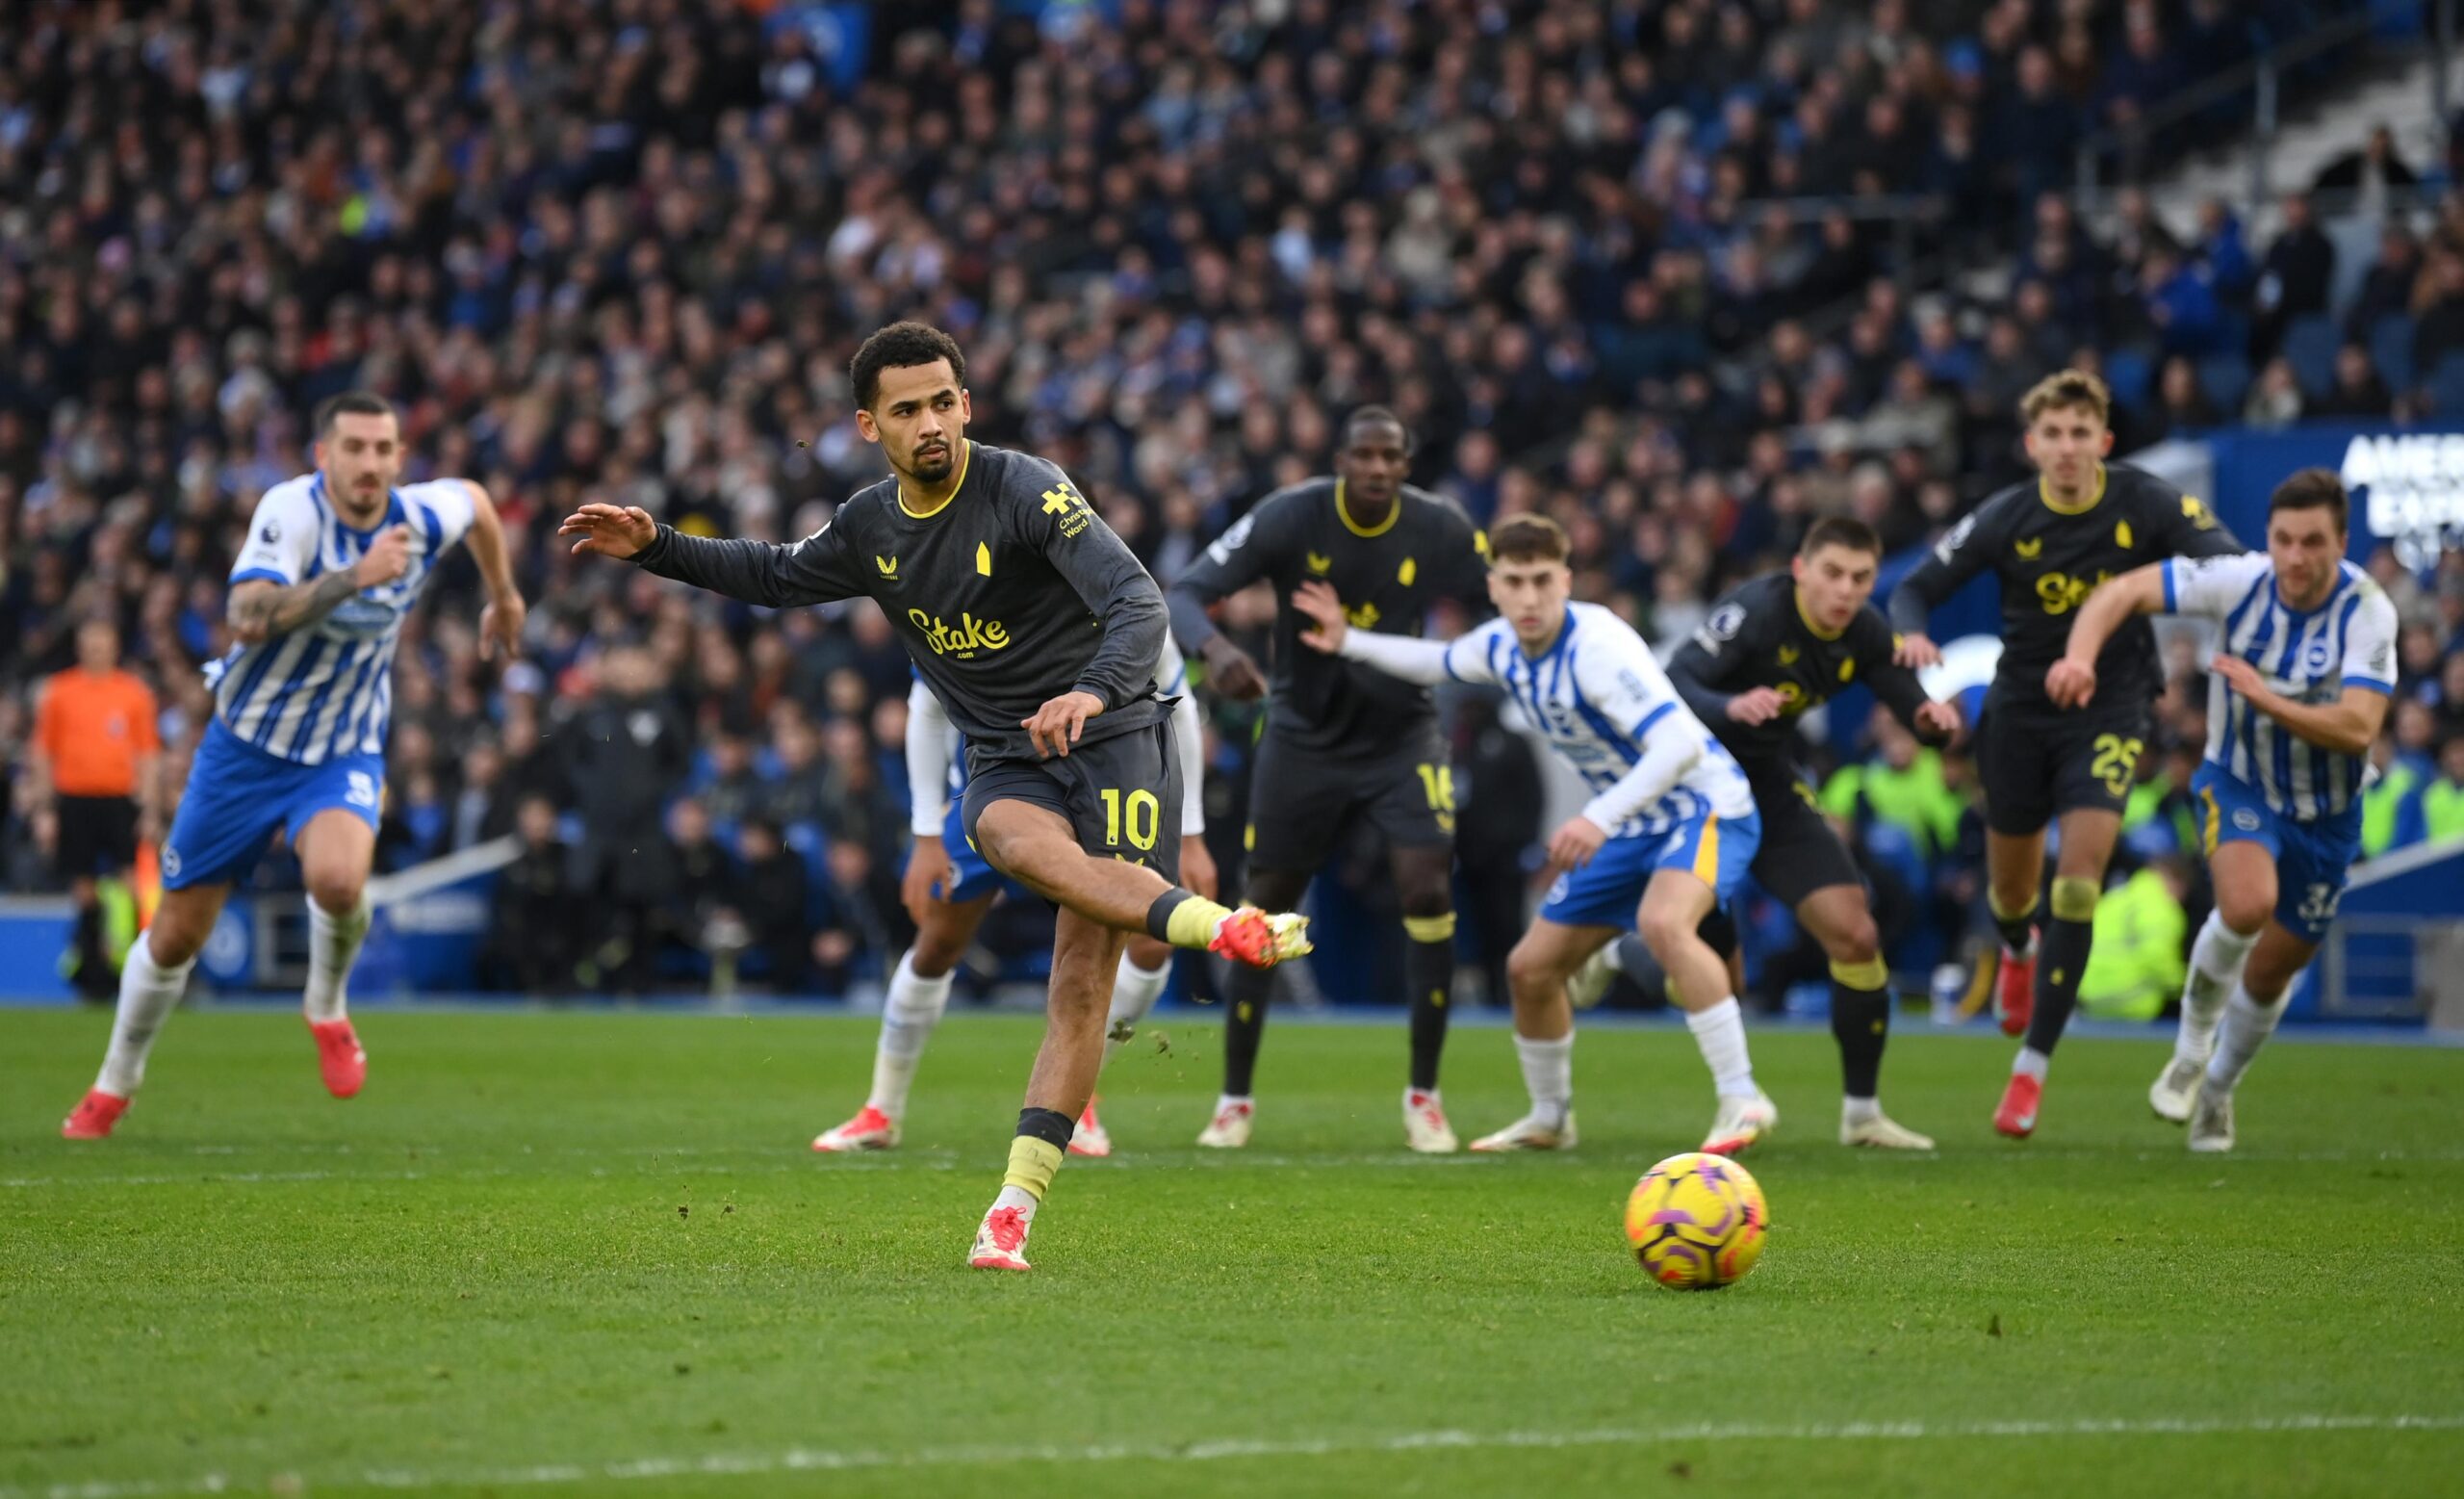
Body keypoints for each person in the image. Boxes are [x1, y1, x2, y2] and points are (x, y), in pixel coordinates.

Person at [559, 322, 1308, 1272]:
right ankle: (1220, 928)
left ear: (967, 405)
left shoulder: (1028, 489)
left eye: (942, 402)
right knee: (1003, 836)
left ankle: (1012, 1207)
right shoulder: (873, 524)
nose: (930, 424)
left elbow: (1140, 604)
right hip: (1005, 752)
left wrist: (1090, 691)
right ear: (870, 425)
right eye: (906, 410)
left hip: (1115, 737)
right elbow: (780, 575)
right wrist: (657, 546)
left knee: (1081, 981)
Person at [63, 392, 526, 1139]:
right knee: (177, 934)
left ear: (400, 458)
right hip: (243, 748)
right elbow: (247, 612)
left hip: (341, 745)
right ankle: (114, 1083)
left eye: (383, 449)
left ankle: (326, 1007)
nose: (369, 463)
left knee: (340, 881)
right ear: (324, 456)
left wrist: (503, 594)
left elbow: (475, 502)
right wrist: (354, 577)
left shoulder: (418, 515)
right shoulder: (293, 512)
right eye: (354, 448)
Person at [1291, 515, 1777, 1157]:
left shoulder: (1598, 646)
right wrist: (1349, 637)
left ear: (1566, 581)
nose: (1529, 597)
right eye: (1514, 581)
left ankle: (1743, 1096)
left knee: (1664, 923)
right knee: (1529, 969)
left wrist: (1597, 818)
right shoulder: (1499, 646)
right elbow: (1435, 661)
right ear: (1493, 586)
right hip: (1633, 820)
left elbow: (1680, 746)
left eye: (1542, 581)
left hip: (1703, 806)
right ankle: (1550, 1117)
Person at [1890, 371, 2242, 1138]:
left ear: (2104, 442)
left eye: (2081, 433)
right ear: (2031, 444)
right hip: (2019, 713)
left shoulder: (2146, 502)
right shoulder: (2007, 515)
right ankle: (2017, 947)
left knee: (2078, 885)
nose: (2067, 447)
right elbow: (1915, 587)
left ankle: (2032, 1068)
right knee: (2013, 895)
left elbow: (2224, 558)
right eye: (2052, 434)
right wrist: (1911, 634)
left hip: (2111, 710)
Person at [1165, 406, 1492, 1152]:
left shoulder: (1439, 527)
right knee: (1264, 906)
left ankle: (1425, 1096)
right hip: (1303, 736)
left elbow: (1500, 604)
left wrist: (1466, 667)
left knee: (1428, 888)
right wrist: (1214, 649)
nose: (1378, 469)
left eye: (1392, 457)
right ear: (1340, 459)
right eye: (1365, 455)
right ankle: (1234, 1099)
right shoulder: (1290, 517)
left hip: (1402, 735)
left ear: (1406, 465)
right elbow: (1183, 591)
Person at [2049, 469, 2396, 1152]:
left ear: (2341, 542)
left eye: (2313, 542)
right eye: (2284, 540)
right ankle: (2188, 1050)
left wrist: (2264, 697)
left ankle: (2217, 1090)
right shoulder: (2239, 580)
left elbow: (2359, 728)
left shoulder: (2368, 609)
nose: (2296, 557)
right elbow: (2122, 589)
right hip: (2238, 781)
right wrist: (2080, 656)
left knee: (2270, 972)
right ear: (2268, 538)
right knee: (2244, 904)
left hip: (2328, 815)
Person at [810, 647, 1216, 1156]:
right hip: (995, 789)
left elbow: (1178, 702)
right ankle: (881, 1110)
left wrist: (1193, 834)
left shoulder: (1128, 595)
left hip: (1102, 794)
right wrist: (926, 834)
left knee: (1149, 945)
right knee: (938, 943)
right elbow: (927, 702)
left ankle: (1078, 1093)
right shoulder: (970, 592)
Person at [1659, 516, 1962, 1149]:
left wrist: (1933, 719)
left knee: (1855, 934)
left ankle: (1862, 1114)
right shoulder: (1755, 612)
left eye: (1860, 577)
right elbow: (1676, 679)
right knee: (1712, 965)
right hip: (1695, 784)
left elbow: (1907, 700)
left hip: (1767, 783)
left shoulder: (1866, 631)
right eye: (1832, 573)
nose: (1845, 590)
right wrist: (1730, 707)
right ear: (1801, 568)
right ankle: (1618, 951)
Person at [29, 618, 161, 999]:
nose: (97, 650)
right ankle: (92, 974)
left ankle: (139, 973)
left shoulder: (133, 693)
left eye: (103, 643)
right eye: (91, 644)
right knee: (83, 887)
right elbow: (42, 753)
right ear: (81, 647)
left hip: (119, 799)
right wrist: (45, 809)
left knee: (132, 883)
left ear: (115, 647)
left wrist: (149, 808)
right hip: (75, 799)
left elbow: (148, 754)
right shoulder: (60, 691)